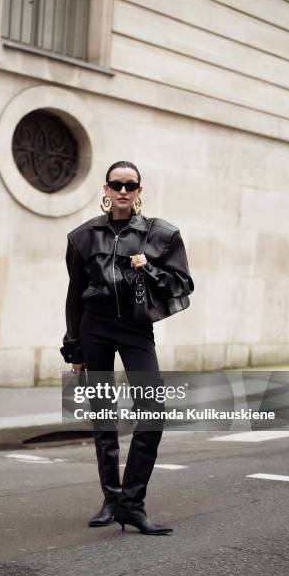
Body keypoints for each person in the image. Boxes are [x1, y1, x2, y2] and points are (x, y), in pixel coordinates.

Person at [60, 161, 194, 535]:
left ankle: (132, 503)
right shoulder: (82, 237)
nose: (122, 191)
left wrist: (148, 268)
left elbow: (181, 284)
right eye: (115, 184)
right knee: (103, 416)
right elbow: (74, 296)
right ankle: (111, 497)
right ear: (105, 189)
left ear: (139, 190)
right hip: (95, 329)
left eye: (129, 185)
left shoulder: (161, 235)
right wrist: (75, 349)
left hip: (136, 330)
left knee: (152, 410)